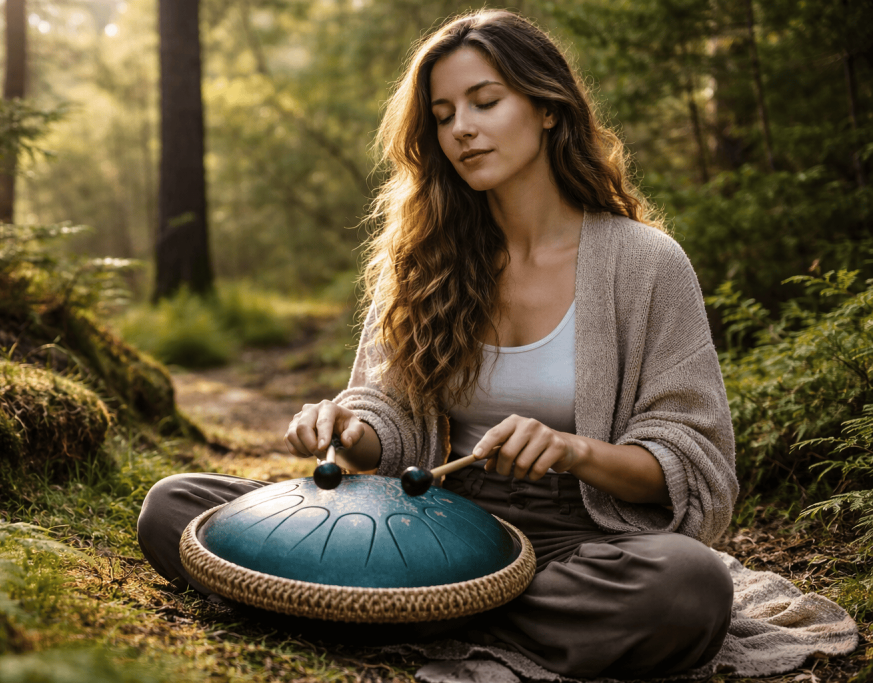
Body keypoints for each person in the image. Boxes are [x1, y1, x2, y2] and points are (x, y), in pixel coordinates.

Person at [138, 9, 739, 679]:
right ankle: (429, 602)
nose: (462, 129)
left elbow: (690, 455)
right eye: (444, 114)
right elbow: (387, 416)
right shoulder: (422, 257)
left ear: (547, 107)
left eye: (485, 101)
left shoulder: (646, 263)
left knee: (687, 586)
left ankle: (388, 612)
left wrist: (575, 451)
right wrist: (348, 425)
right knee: (177, 509)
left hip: (580, 544)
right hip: (422, 525)